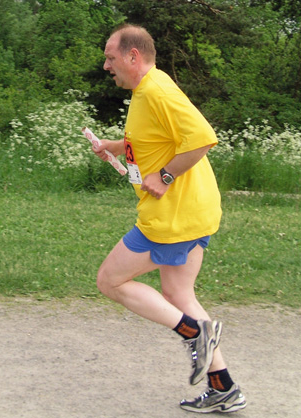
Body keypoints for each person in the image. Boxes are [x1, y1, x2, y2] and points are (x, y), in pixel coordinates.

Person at [93, 23, 247, 414]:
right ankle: (223, 388)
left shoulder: (157, 89)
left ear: (133, 56)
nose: (106, 65)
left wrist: (164, 177)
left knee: (110, 280)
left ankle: (194, 333)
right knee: (179, 296)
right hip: (194, 211)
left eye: (111, 57)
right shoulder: (147, 91)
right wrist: (113, 147)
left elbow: (203, 136)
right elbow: (153, 142)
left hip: (172, 217)